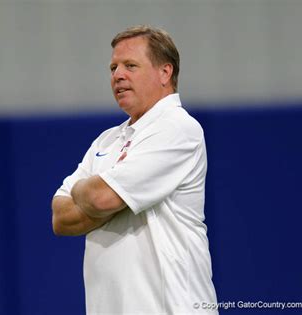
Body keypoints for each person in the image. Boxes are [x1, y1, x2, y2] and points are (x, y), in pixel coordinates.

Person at [52, 25, 218, 315]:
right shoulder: (107, 140)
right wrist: (102, 193)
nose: (118, 75)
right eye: (113, 67)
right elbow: (61, 218)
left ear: (165, 73)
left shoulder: (177, 127)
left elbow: (101, 199)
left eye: (130, 66)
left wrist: (86, 190)